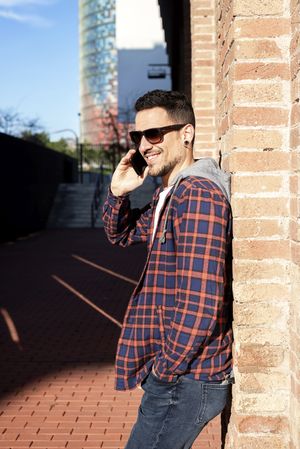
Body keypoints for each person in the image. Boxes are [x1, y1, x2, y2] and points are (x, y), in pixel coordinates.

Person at [102, 89, 233, 449]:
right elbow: (122, 235)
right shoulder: (170, 194)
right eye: (138, 136)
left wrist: (166, 369)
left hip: (186, 376)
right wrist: (118, 193)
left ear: (186, 133)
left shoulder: (197, 194)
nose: (145, 145)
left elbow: (202, 300)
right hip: (178, 372)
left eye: (155, 134)